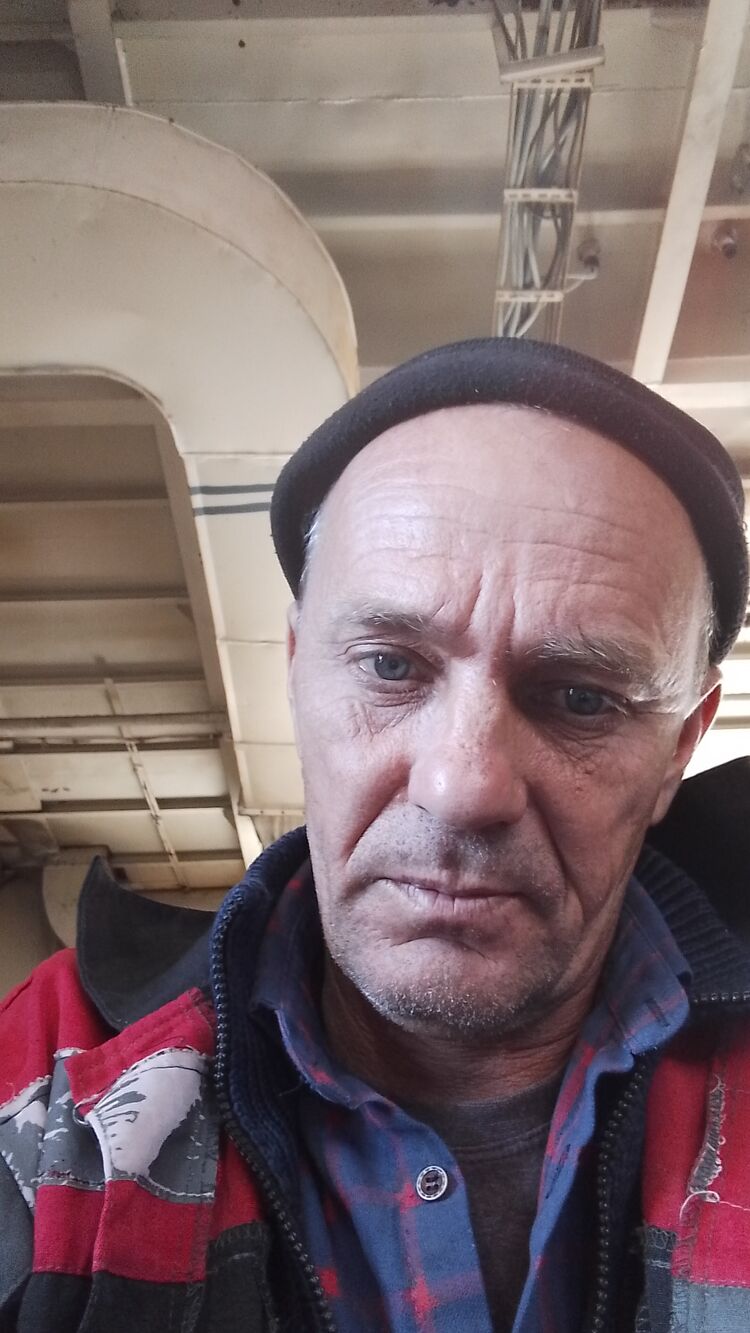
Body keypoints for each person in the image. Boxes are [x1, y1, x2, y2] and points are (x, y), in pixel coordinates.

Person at [0, 338, 748, 1333]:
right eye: (391, 666)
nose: (462, 787)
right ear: (297, 669)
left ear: (680, 747)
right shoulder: (48, 1089)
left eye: (580, 697)